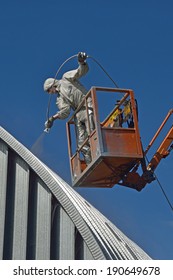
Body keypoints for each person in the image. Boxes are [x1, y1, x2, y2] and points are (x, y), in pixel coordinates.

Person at [43, 52, 95, 165]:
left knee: (92, 132)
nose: (50, 93)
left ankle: (98, 154)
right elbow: (65, 112)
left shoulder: (66, 78)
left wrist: (81, 62)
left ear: (52, 85)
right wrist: (53, 118)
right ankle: (91, 164)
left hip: (87, 104)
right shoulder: (60, 98)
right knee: (81, 142)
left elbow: (79, 72)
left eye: (49, 90)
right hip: (78, 112)